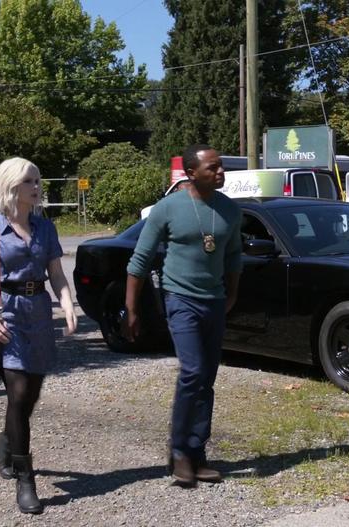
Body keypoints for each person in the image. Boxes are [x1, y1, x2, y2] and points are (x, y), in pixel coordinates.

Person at [0, 157, 77, 515]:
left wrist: (68, 304)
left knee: (30, 398)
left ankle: (6, 440)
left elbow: (56, 273)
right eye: (31, 181)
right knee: (19, 392)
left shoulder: (46, 228)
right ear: (12, 186)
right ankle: (26, 480)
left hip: (38, 314)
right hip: (4, 316)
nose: (37, 186)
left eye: (38, 180)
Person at [124, 144, 242, 487]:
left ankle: (196, 451)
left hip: (215, 301)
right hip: (180, 299)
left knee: (207, 377)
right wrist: (131, 309)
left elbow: (233, 257)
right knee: (192, 371)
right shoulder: (167, 208)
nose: (220, 172)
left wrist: (231, 294)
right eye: (213, 168)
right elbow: (140, 260)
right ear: (191, 173)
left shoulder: (230, 211)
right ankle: (178, 452)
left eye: (221, 167)